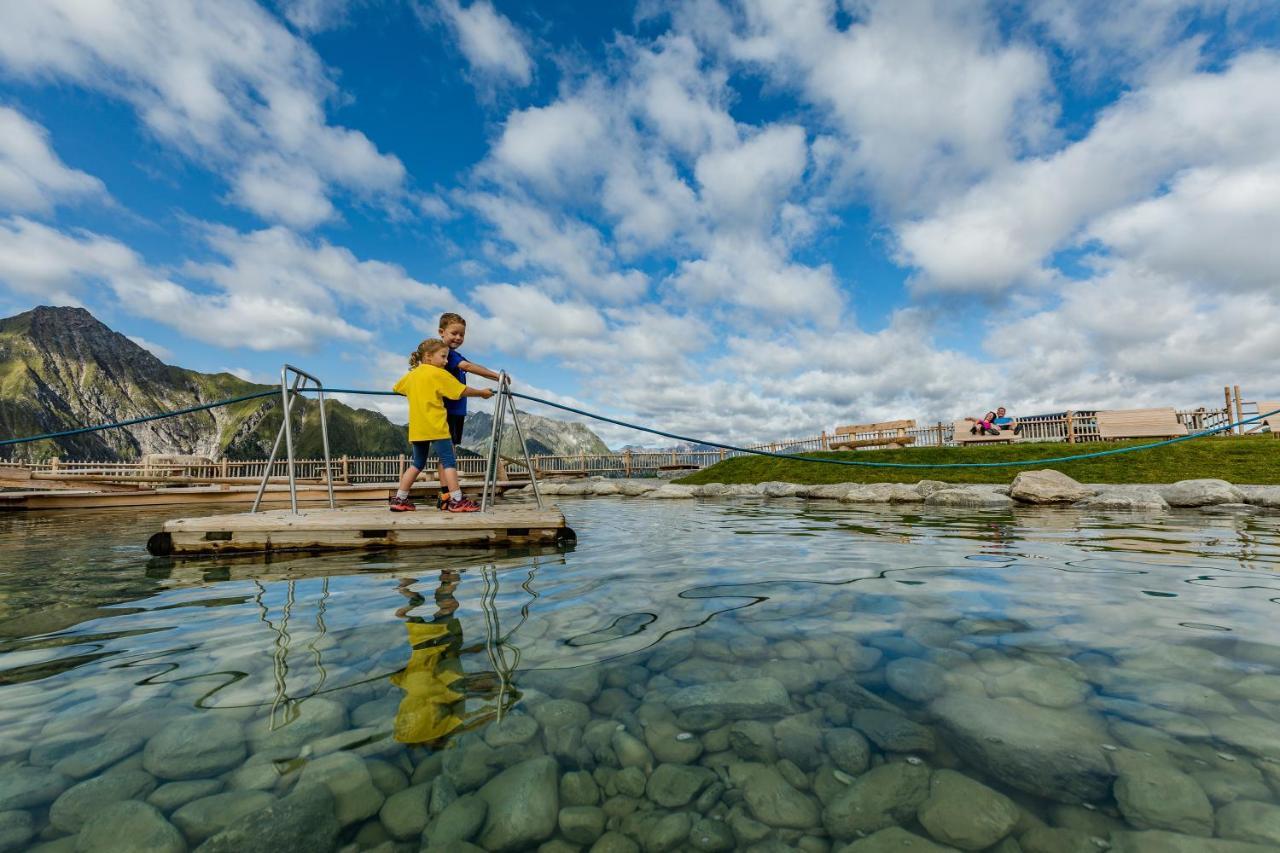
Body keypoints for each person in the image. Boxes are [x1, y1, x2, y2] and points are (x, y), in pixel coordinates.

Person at [390, 338, 494, 512]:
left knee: (417, 464)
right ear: (429, 356)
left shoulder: (411, 376)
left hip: (417, 428)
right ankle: (457, 500)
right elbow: (461, 391)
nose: (446, 361)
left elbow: (397, 388)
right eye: (443, 357)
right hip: (437, 427)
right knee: (449, 462)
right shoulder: (439, 374)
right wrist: (482, 393)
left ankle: (399, 499)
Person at [437, 312, 503, 509]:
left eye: (461, 335)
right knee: (447, 454)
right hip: (448, 410)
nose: (458, 338)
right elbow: (468, 366)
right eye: (454, 333)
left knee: (450, 452)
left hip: (457, 411)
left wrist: (494, 375)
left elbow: (471, 364)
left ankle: (446, 494)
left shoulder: (453, 354)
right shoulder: (445, 354)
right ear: (442, 332)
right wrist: (495, 377)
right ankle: (448, 496)